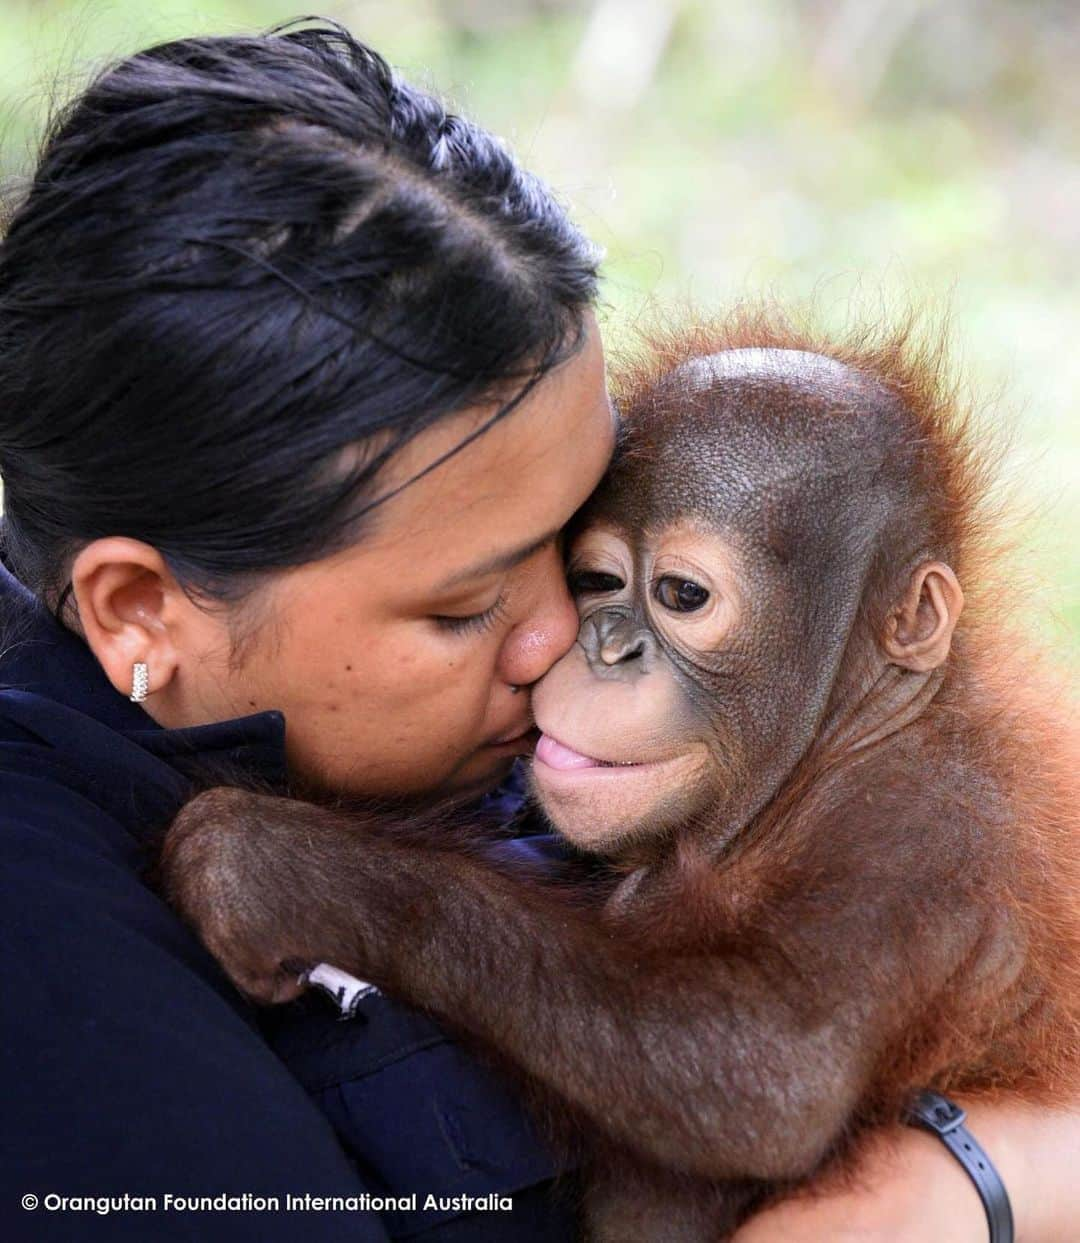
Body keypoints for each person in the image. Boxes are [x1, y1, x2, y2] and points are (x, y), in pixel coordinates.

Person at [0, 16, 1075, 1242]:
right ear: (140, 608)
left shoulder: (858, 774)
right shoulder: (43, 943)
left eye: (574, 546)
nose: (562, 635)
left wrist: (963, 1190)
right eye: (465, 606)